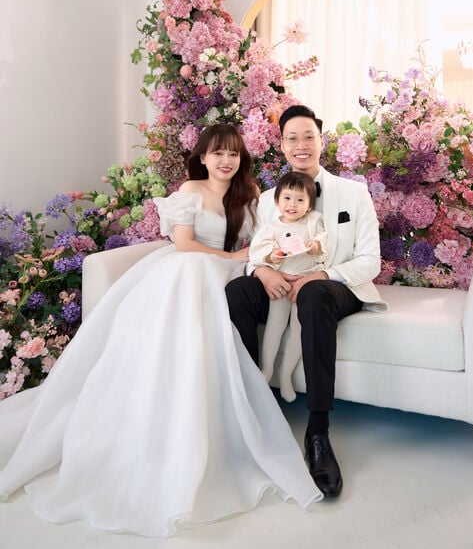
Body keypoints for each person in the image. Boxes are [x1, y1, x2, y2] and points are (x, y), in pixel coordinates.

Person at [0, 124, 322, 538]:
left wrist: (263, 258)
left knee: (213, 288)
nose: (226, 161)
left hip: (233, 270)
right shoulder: (190, 190)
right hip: (196, 264)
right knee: (189, 279)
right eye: (218, 153)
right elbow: (184, 244)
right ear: (203, 157)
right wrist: (232, 257)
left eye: (234, 154)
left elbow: (265, 238)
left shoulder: (252, 194)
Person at [226, 106, 386, 499]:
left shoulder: (354, 192)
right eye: (292, 138)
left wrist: (322, 275)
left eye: (308, 136)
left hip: (336, 287)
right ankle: (255, 413)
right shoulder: (268, 199)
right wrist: (261, 271)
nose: (301, 145)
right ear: (282, 146)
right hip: (282, 282)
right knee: (238, 290)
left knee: (313, 295)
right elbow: (258, 250)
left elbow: (370, 261)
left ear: (321, 140)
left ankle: (317, 432)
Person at [248, 171, 329, 402]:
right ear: (277, 201)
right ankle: (267, 369)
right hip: (281, 281)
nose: (292, 204)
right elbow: (257, 250)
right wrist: (271, 255)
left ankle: (285, 375)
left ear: (309, 205)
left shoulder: (313, 220)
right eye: (287, 198)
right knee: (275, 324)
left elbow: (324, 240)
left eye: (300, 199)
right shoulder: (271, 226)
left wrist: (316, 247)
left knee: (298, 327)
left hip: (305, 281)